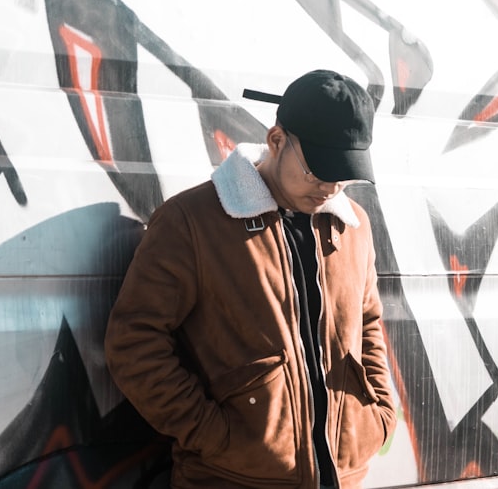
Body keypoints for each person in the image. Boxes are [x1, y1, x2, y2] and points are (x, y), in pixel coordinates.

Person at [105, 69, 397, 489]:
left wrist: (379, 415)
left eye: (342, 174)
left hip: (344, 477)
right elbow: (133, 342)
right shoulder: (193, 222)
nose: (330, 188)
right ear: (277, 140)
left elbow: (368, 322)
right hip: (230, 478)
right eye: (318, 171)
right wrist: (215, 435)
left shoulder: (353, 227)